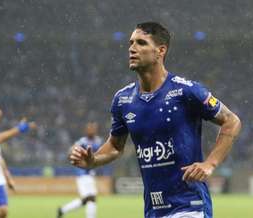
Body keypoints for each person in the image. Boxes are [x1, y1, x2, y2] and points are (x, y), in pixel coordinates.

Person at [69, 22, 241, 218]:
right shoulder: (123, 99)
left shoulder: (186, 90)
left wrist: (210, 163)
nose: (132, 48)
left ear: (160, 51)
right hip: (154, 210)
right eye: (131, 43)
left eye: (141, 43)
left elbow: (231, 121)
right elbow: (115, 146)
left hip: (189, 206)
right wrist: (94, 160)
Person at [58, 122, 102, 218]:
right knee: (91, 198)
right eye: (89, 129)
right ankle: (63, 210)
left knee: (88, 199)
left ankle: (63, 210)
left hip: (90, 173)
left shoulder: (98, 141)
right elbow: (71, 150)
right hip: (82, 173)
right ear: (86, 131)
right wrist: (72, 153)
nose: (91, 130)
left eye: (93, 128)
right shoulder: (82, 141)